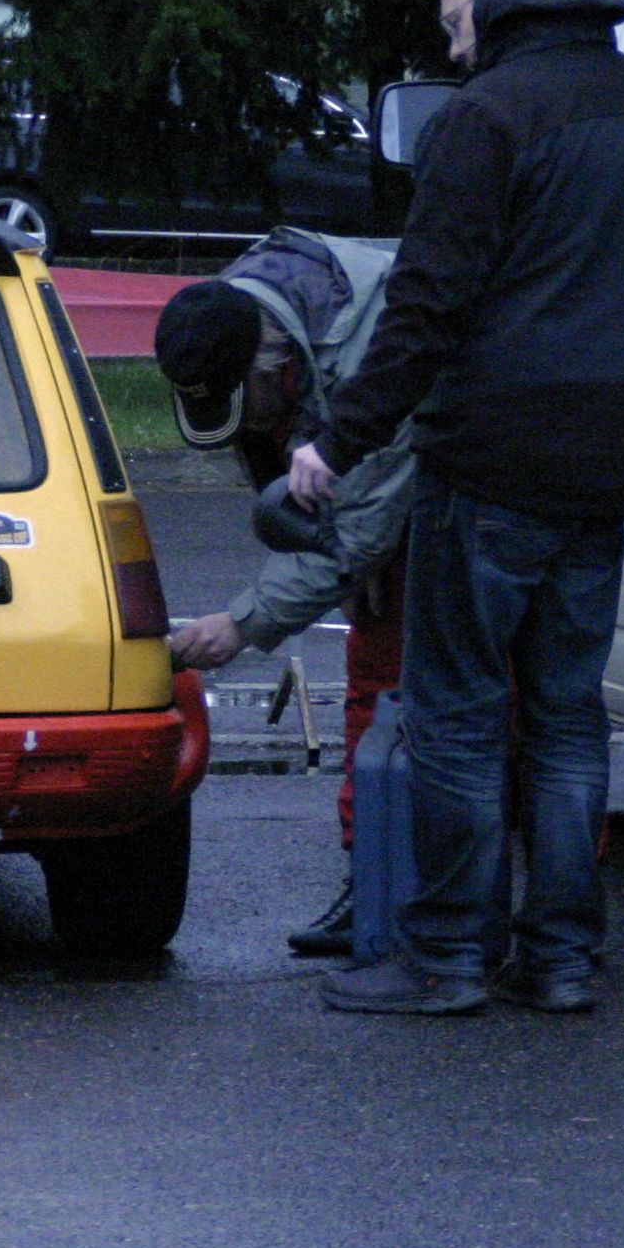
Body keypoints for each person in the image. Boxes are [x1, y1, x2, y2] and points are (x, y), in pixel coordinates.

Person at [291, 0, 624, 1017]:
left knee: (461, 716)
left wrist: (336, 442)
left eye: (457, 24)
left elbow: (426, 306)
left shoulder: (488, 118)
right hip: (606, 470)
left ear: (502, 6)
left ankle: (448, 956)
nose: (455, 48)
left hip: (489, 465)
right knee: (568, 716)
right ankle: (562, 958)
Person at [154, 229, 417, 956]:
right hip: (379, 489)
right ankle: (374, 885)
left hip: (478, 486)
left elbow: (371, 502)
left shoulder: (367, 344)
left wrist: (245, 622)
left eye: (250, 402)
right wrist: (335, 553)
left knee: (504, 704)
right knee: (375, 685)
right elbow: (272, 459)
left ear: (272, 363)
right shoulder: (230, 320)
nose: (251, 422)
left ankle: (528, 907)